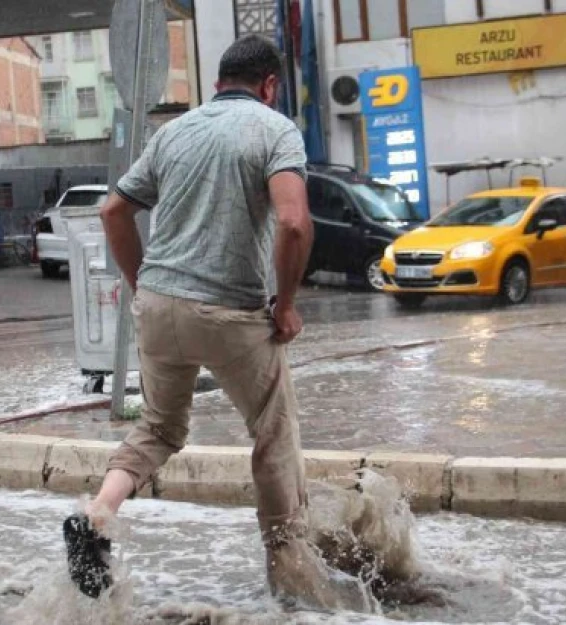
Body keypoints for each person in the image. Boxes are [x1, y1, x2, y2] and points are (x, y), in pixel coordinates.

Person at [60, 35, 370, 610]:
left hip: (158, 305)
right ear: (269, 85)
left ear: (219, 80)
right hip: (230, 313)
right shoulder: (273, 130)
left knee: (158, 429)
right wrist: (284, 305)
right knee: (273, 434)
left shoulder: (174, 132)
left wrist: (140, 282)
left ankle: (97, 514)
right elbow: (295, 223)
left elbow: (113, 211)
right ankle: (289, 574)